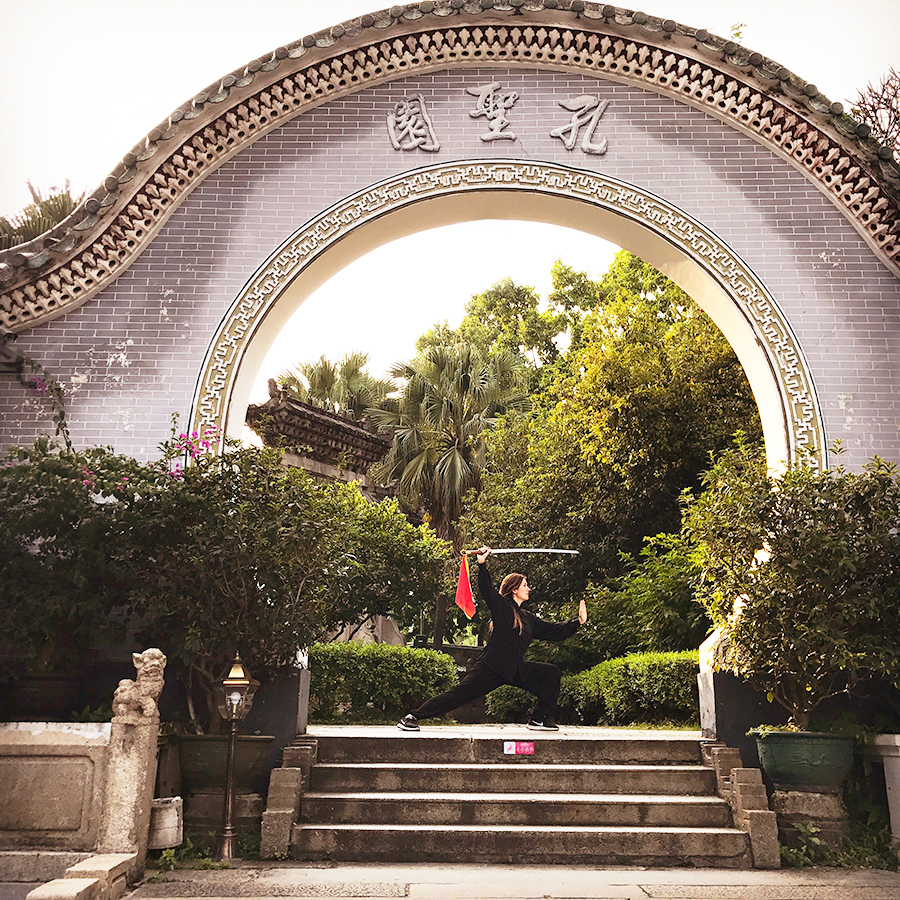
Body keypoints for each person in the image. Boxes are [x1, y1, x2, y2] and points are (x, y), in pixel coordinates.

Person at [398, 546, 588, 732]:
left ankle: (538, 719)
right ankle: (412, 717)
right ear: (514, 589)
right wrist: (482, 564)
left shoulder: (528, 618)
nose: (528, 589)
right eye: (525, 585)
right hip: (492, 667)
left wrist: (577, 622)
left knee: (552, 673)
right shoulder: (503, 607)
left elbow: (553, 631)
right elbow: (487, 591)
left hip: (515, 669)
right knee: (459, 694)